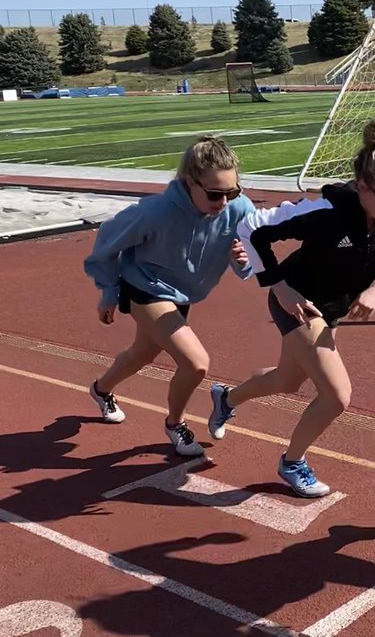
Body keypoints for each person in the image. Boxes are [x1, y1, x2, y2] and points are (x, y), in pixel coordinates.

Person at [208, 116, 375, 497]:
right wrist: (279, 287)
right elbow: (252, 229)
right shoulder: (326, 211)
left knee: (287, 381)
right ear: (362, 187)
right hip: (298, 300)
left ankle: (226, 398)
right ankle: (292, 462)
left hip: (333, 306)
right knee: (337, 396)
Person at [83, 136, 255, 455]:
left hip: (182, 294)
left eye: (232, 192)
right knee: (196, 363)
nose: (224, 202)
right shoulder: (156, 212)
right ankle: (175, 424)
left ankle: (100, 390)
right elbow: (107, 240)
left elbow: (248, 253)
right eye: (215, 194)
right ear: (189, 181)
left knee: (142, 354)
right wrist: (108, 290)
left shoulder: (237, 209)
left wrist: (243, 260)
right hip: (145, 287)